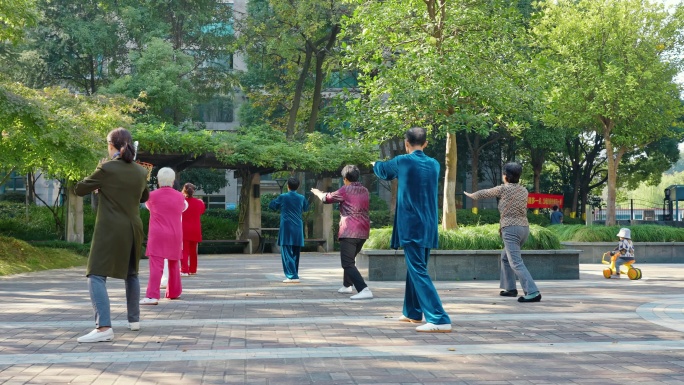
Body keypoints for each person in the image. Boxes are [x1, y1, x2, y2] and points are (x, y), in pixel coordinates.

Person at [74, 127, 150, 343]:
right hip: (134, 227)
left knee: (96, 274)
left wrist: (99, 172)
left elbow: (80, 189)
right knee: (131, 273)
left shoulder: (107, 168)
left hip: (109, 228)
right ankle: (134, 321)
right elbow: (144, 196)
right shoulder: (141, 171)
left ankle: (103, 327)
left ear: (111, 146)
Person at [372, 127, 452, 333]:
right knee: (416, 268)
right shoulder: (434, 164)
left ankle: (439, 317)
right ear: (425, 144)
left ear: (406, 143)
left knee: (417, 270)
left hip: (411, 224)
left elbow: (383, 171)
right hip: (428, 225)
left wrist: (374, 164)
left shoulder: (403, 161)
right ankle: (413, 311)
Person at [464, 162, 542, 303]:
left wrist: (471, 195)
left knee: (516, 262)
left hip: (511, 229)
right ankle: (510, 288)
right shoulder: (524, 190)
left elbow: (485, 193)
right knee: (505, 257)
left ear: (506, 176)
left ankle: (533, 291)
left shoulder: (504, 189)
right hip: (524, 228)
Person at [311, 165, 372, 300]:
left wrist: (317, 192)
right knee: (350, 260)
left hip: (349, 230)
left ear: (345, 179)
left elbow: (326, 198)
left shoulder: (345, 190)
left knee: (347, 263)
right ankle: (347, 285)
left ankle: (363, 289)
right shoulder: (365, 190)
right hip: (363, 230)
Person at [140, 167, 187, 305]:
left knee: (156, 265)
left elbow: (148, 207)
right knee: (174, 263)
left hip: (157, 234)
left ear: (158, 181)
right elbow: (184, 208)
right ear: (173, 181)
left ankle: (152, 295)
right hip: (175, 233)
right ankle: (174, 291)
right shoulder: (180, 197)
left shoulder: (151, 196)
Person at [268, 177, 309, 283]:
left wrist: (275, 198)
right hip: (298, 227)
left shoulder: (283, 197)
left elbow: (272, 206)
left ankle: (292, 276)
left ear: (288, 186)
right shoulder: (301, 197)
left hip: (286, 227)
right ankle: (294, 274)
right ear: (298, 186)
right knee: (296, 253)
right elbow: (305, 208)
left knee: (286, 252)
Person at [181, 183, 206, 276]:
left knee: (184, 251)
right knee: (193, 251)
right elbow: (202, 211)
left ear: (184, 190)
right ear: (193, 191)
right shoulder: (199, 202)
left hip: (183, 229)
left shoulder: (181, 202)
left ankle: (184, 270)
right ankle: (193, 269)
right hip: (195, 229)